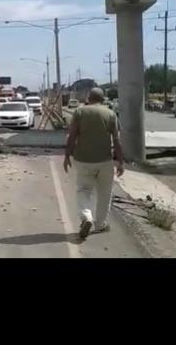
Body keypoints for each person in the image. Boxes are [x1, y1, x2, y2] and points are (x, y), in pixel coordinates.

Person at [63, 87, 125, 239]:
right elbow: (117, 140)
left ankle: (86, 217)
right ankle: (100, 224)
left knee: (84, 190)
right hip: (105, 161)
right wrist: (120, 161)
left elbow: (72, 135)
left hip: (83, 160)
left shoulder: (79, 112)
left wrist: (67, 155)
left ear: (88, 99)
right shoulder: (110, 114)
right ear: (103, 100)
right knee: (105, 194)